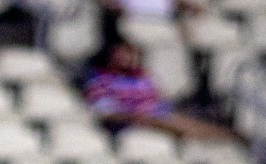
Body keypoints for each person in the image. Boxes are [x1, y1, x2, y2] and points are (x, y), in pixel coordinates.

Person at [82, 36, 238, 141]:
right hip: (132, 121)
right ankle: (213, 136)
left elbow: (158, 101)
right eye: (122, 53)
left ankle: (226, 136)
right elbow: (104, 111)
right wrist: (134, 116)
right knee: (176, 123)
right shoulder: (101, 80)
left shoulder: (142, 78)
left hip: (157, 116)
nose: (127, 57)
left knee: (183, 120)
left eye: (129, 52)